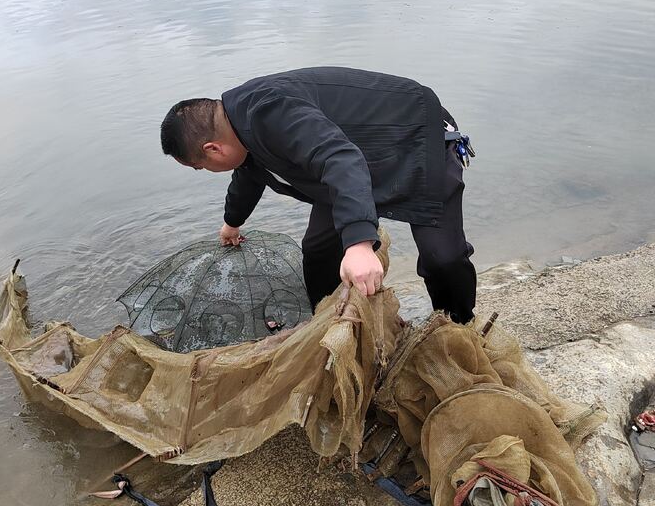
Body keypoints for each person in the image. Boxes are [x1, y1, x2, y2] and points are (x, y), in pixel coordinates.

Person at [160, 66, 476, 323]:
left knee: (442, 259)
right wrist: (232, 223)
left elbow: (340, 158)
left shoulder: (270, 110)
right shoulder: (240, 129)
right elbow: (249, 175)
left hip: (419, 136)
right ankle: (334, 322)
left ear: (213, 149)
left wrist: (359, 243)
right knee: (319, 250)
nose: (206, 171)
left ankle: (457, 327)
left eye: (200, 167)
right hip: (357, 162)